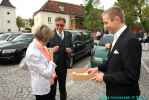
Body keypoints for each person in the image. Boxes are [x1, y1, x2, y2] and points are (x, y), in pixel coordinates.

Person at [88, 6, 142, 99]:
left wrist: (104, 77)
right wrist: (98, 68)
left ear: (117, 19)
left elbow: (131, 75)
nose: (104, 26)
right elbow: (112, 61)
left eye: (106, 22)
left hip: (124, 95)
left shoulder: (130, 40)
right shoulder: (117, 37)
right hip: (114, 93)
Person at [20, 25, 56, 100]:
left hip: (48, 82)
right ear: (44, 38)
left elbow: (44, 55)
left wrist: (50, 51)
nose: (48, 40)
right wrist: (52, 61)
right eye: (48, 38)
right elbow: (47, 73)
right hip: (41, 87)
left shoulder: (40, 46)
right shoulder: (33, 52)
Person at [47, 17, 72, 100]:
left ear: (64, 25)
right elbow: (44, 50)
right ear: (55, 24)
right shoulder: (50, 34)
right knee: (52, 89)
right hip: (53, 67)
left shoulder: (68, 34)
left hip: (64, 66)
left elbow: (72, 47)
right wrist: (52, 50)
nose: (59, 27)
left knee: (62, 87)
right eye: (57, 25)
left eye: (61, 25)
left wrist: (70, 50)